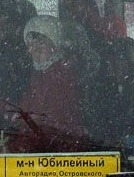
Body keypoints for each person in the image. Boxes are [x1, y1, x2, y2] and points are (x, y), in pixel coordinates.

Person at [8, 14, 85, 152]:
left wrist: (16, 148)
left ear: (54, 44)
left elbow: (52, 129)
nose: (35, 49)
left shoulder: (61, 78)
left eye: (41, 43)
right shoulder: (39, 74)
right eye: (31, 44)